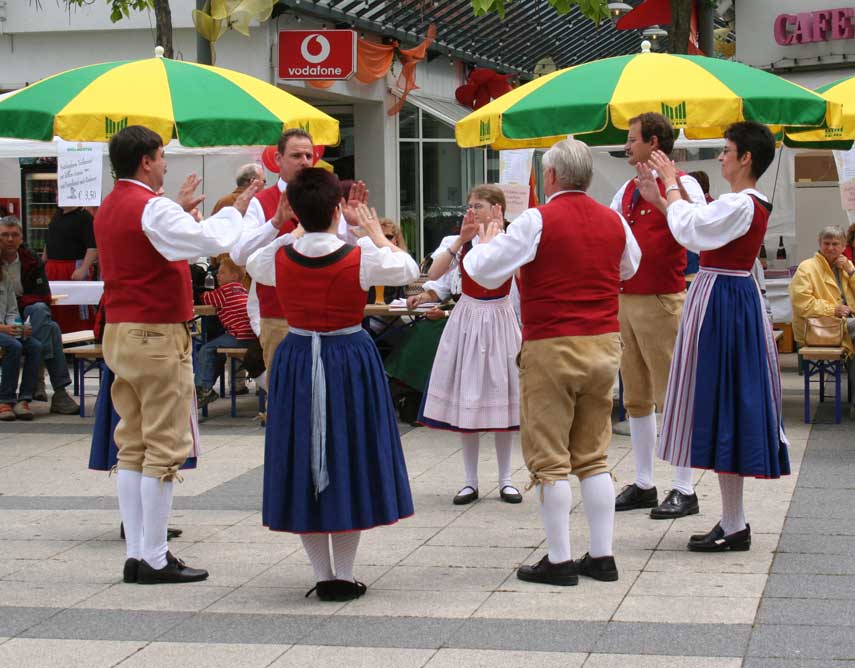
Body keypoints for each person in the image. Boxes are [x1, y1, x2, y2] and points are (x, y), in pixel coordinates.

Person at [464, 139, 641, 586]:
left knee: (550, 459)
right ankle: (602, 557)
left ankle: (559, 560)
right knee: (594, 455)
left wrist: (486, 239)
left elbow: (485, 271)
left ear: (551, 176)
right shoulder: (614, 219)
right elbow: (629, 269)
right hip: (603, 344)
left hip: (552, 344)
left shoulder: (536, 220)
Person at [94, 124, 258, 584]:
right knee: (164, 447)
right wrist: (236, 210)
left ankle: (138, 551)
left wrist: (181, 215)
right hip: (155, 333)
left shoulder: (111, 206)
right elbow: (206, 243)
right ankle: (155, 556)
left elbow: (168, 241)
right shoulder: (149, 206)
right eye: (162, 156)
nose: (165, 163)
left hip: (122, 329)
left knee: (133, 443)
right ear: (146, 160)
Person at [247, 168, 418, 602]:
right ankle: (342, 573)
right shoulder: (359, 254)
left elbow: (254, 262)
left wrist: (295, 229)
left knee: (301, 455)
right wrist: (374, 232)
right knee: (349, 456)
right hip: (349, 358)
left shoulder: (281, 255)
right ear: (339, 209)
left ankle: (324, 573)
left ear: (297, 213)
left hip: (299, 357)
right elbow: (407, 268)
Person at [643, 121, 789, 552]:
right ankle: (733, 522)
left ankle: (734, 522)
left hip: (723, 301)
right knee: (726, 407)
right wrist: (667, 198)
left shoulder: (742, 203)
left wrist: (671, 186)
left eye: (727, 150)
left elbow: (694, 228)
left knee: (726, 405)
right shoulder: (740, 203)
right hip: (724, 297)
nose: (721, 156)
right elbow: (698, 221)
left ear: (746, 158)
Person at [610, 112, 706, 520]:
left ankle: (684, 487)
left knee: (674, 396)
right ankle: (646, 483)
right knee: (635, 397)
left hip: (665, 299)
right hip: (627, 300)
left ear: (653, 142)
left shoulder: (683, 185)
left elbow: (697, 233)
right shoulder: (625, 188)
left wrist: (661, 201)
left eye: (632, 139)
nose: (627, 145)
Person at [416, 185, 523, 506]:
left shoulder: (509, 241)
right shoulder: (458, 243)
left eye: (479, 205)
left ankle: (506, 479)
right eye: (470, 205)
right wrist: (462, 240)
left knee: (502, 395)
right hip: (468, 318)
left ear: (497, 209)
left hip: (500, 317)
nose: (471, 211)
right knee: (468, 395)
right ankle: (470, 480)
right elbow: (431, 274)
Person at [230, 129, 367, 374]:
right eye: (296, 155)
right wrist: (273, 223)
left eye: (308, 155)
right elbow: (239, 254)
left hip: (331, 319)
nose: (304, 161)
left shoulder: (330, 198)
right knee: (285, 400)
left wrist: (354, 225)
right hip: (280, 316)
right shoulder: (261, 202)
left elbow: (353, 251)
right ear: (278, 159)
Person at [0, 216, 79, 414]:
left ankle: (38, 384)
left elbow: (43, 295)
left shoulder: (30, 260)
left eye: (14, 235)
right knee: (52, 329)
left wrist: (19, 313)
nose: (10, 239)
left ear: (21, 238)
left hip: (21, 313)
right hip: (6, 318)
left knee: (40, 311)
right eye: (4, 235)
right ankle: (52, 390)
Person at [789, 225, 855, 414]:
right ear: (819, 244)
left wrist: (851, 272)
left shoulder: (846, 267)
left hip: (845, 325)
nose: (831, 248)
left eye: (836, 244)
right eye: (827, 243)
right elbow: (801, 303)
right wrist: (832, 309)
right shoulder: (807, 268)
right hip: (818, 329)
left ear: (844, 246)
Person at [195, 258, 256, 408]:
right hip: (251, 335)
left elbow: (204, 298)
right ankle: (207, 386)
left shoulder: (225, 291)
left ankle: (202, 389)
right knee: (216, 351)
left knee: (206, 349)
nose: (217, 275)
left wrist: (199, 290)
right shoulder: (242, 289)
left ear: (234, 276)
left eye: (222, 273)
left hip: (238, 335)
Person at [44, 206, 98, 332]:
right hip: (52, 267)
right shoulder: (56, 214)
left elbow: (93, 246)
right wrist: (42, 263)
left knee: (74, 306)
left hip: (73, 267)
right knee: (55, 305)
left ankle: (79, 336)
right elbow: (49, 242)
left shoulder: (84, 216)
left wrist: (83, 269)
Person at [0, 263, 43, 421]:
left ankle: (24, 398)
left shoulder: (5, 279)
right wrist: (4, 328)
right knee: (13, 346)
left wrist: (18, 327)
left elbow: (12, 310)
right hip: (2, 330)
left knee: (35, 346)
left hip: (5, 329)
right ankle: (5, 400)